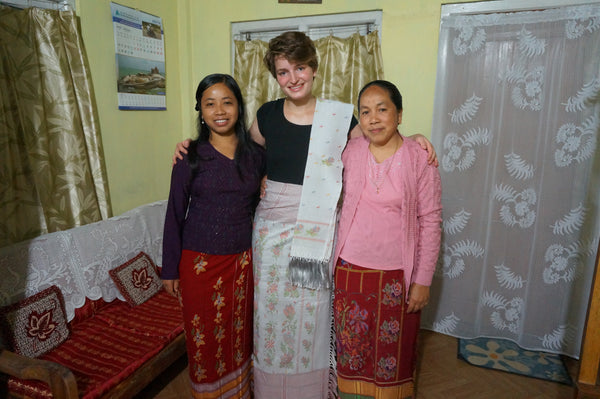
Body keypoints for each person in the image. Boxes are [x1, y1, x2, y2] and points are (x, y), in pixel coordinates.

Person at [173, 32, 438, 399]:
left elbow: (382, 134)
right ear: (275, 76)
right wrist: (192, 144)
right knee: (270, 316)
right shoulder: (266, 115)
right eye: (283, 71)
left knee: (313, 315)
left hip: (318, 232)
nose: (293, 77)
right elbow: (245, 153)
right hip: (270, 236)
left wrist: (417, 140)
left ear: (313, 68)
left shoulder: (341, 115)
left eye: (299, 67)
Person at [332, 80, 442, 399]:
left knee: (394, 359)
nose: (374, 118)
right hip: (350, 273)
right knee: (352, 355)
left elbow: (431, 221)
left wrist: (422, 280)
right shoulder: (349, 152)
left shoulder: (419, 157)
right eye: (365, 112)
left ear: (400, 114)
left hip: (398, 277)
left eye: (382, 109)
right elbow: (312, 161)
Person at [161, 73, 266, 399]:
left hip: (242, 264)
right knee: (204, 339)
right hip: (199, 266)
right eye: (210, 103)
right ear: (200, 111)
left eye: (227, 102)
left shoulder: (258, 156)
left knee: (239, 335)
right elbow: (174, 213)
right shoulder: (189, 156)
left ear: (238, 107)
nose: (219, 110)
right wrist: (169, 269)